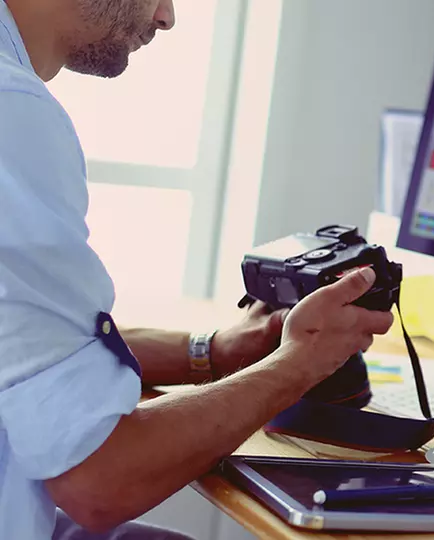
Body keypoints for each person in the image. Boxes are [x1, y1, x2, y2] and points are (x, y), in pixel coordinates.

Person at [0, 0, 395, 538]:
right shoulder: (14, 112)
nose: (166, 16)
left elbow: (35, 348)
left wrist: (215, 352)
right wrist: (301, 364)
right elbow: (99, 480)